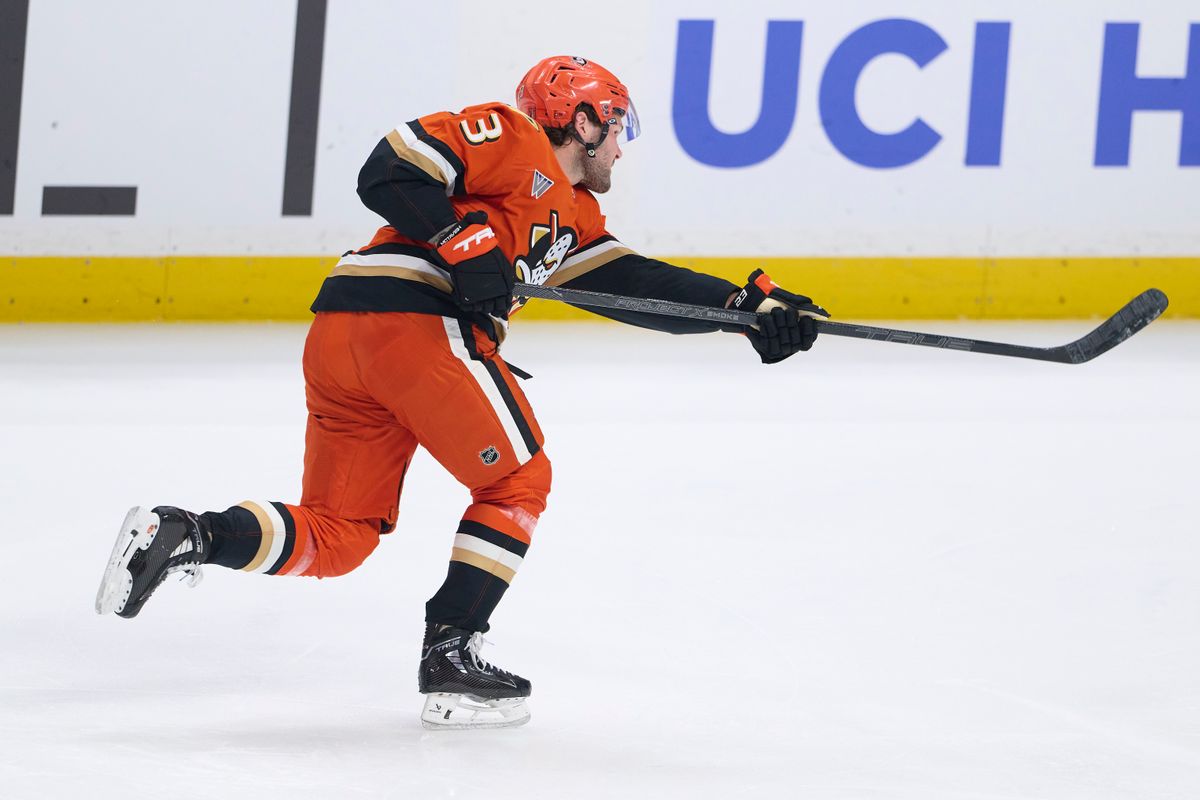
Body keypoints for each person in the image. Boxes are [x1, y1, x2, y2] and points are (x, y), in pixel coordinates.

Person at [94, 55, 828, 729]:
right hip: (413, 324)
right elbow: (387, 169)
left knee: (341, 534)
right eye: (617, 128)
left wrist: (746, 309)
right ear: (582, 120)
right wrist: (461, 240)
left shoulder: (570, 218)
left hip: (345, 338)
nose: (620, 149)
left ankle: (186, 533)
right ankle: (450, 655)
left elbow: (633, 286)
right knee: (518, 478)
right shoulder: (510, 136)